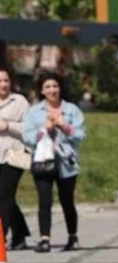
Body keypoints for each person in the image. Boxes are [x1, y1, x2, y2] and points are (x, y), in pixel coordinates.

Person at [22, 71, 86, 253]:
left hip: (67, 162)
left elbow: (81, 134)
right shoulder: (34, 112)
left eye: (55, 86)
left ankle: (72, 236)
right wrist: (43, 130)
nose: (52, 90)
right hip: (43, 161)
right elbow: (27, 136)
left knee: (67, 200)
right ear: (42, 91)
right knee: (44, 200)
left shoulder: (72, 110)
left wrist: (64, 126)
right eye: (48, 87)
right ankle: (44, 239)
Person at [0, 66, 32, 251]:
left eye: (6, 81)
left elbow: (29, 128)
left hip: (14, 155)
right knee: (7, 197)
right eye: (0, 81)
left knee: (4, 196)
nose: (3, 84)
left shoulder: (19, 101)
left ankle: (1, 237)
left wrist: (7, 126)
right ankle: (20, 234)